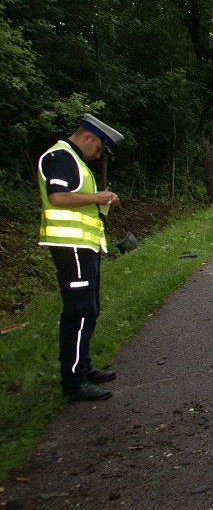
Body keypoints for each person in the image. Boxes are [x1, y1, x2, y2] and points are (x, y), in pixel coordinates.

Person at [37, 114, 124, 400]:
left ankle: (83, 367)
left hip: (83, 245)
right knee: (78, 310)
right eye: (99, 148)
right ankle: (73, 381)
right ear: (87, 137)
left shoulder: (75, 159)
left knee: (89, 307)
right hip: (70, 246)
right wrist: (98, 197)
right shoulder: (61, 157)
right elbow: (58, 197)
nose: (98, 155)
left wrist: (101, 197)